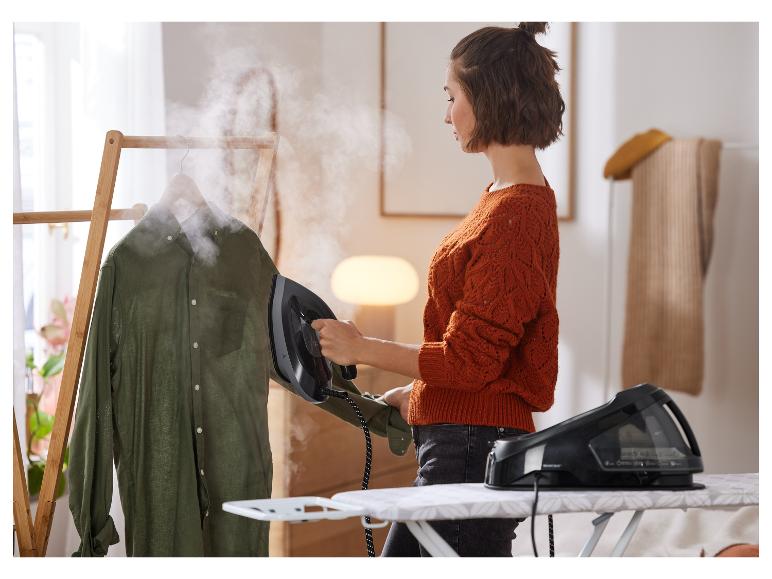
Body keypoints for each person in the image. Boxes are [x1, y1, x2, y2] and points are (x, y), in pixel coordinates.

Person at [310, 22, 563, 557]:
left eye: (452, 97)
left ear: (488, 96)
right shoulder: (504, 197)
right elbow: (481, 355)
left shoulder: (515, 214)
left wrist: (361, 348)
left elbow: (470, 362)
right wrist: (423, 395)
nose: (446, 115)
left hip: (473, 449)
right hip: (467, 441)